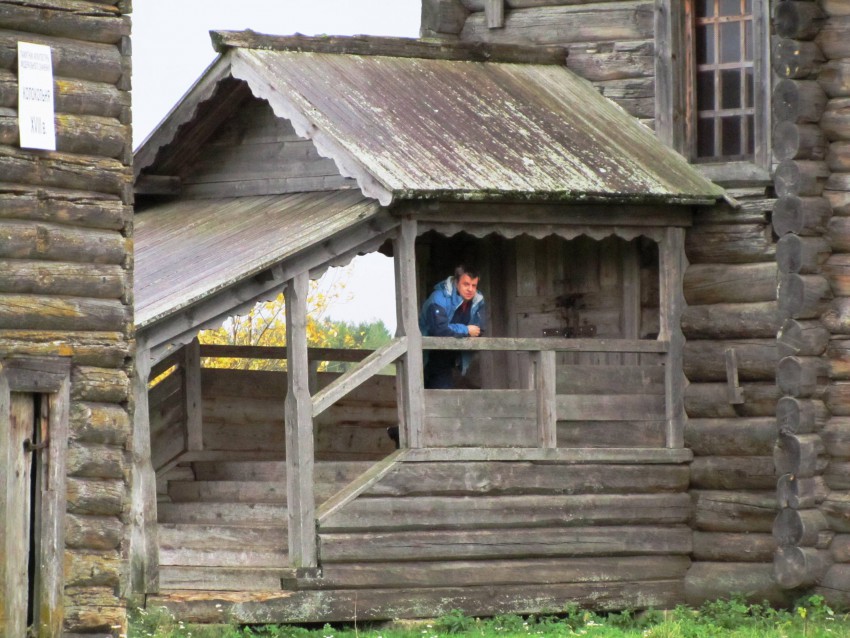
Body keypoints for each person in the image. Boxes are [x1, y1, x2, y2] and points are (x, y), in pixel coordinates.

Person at [419, 264, 486, 389]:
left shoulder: (478, 300)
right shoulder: (438, 298)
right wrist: (465, 329)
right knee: (437, 400)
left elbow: (478, 330)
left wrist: (456, 329)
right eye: (466, 284)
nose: (470, 289)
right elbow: (439, 330)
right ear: (456, 282)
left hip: (459, 360)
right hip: (429, 357)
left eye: (474, 285)